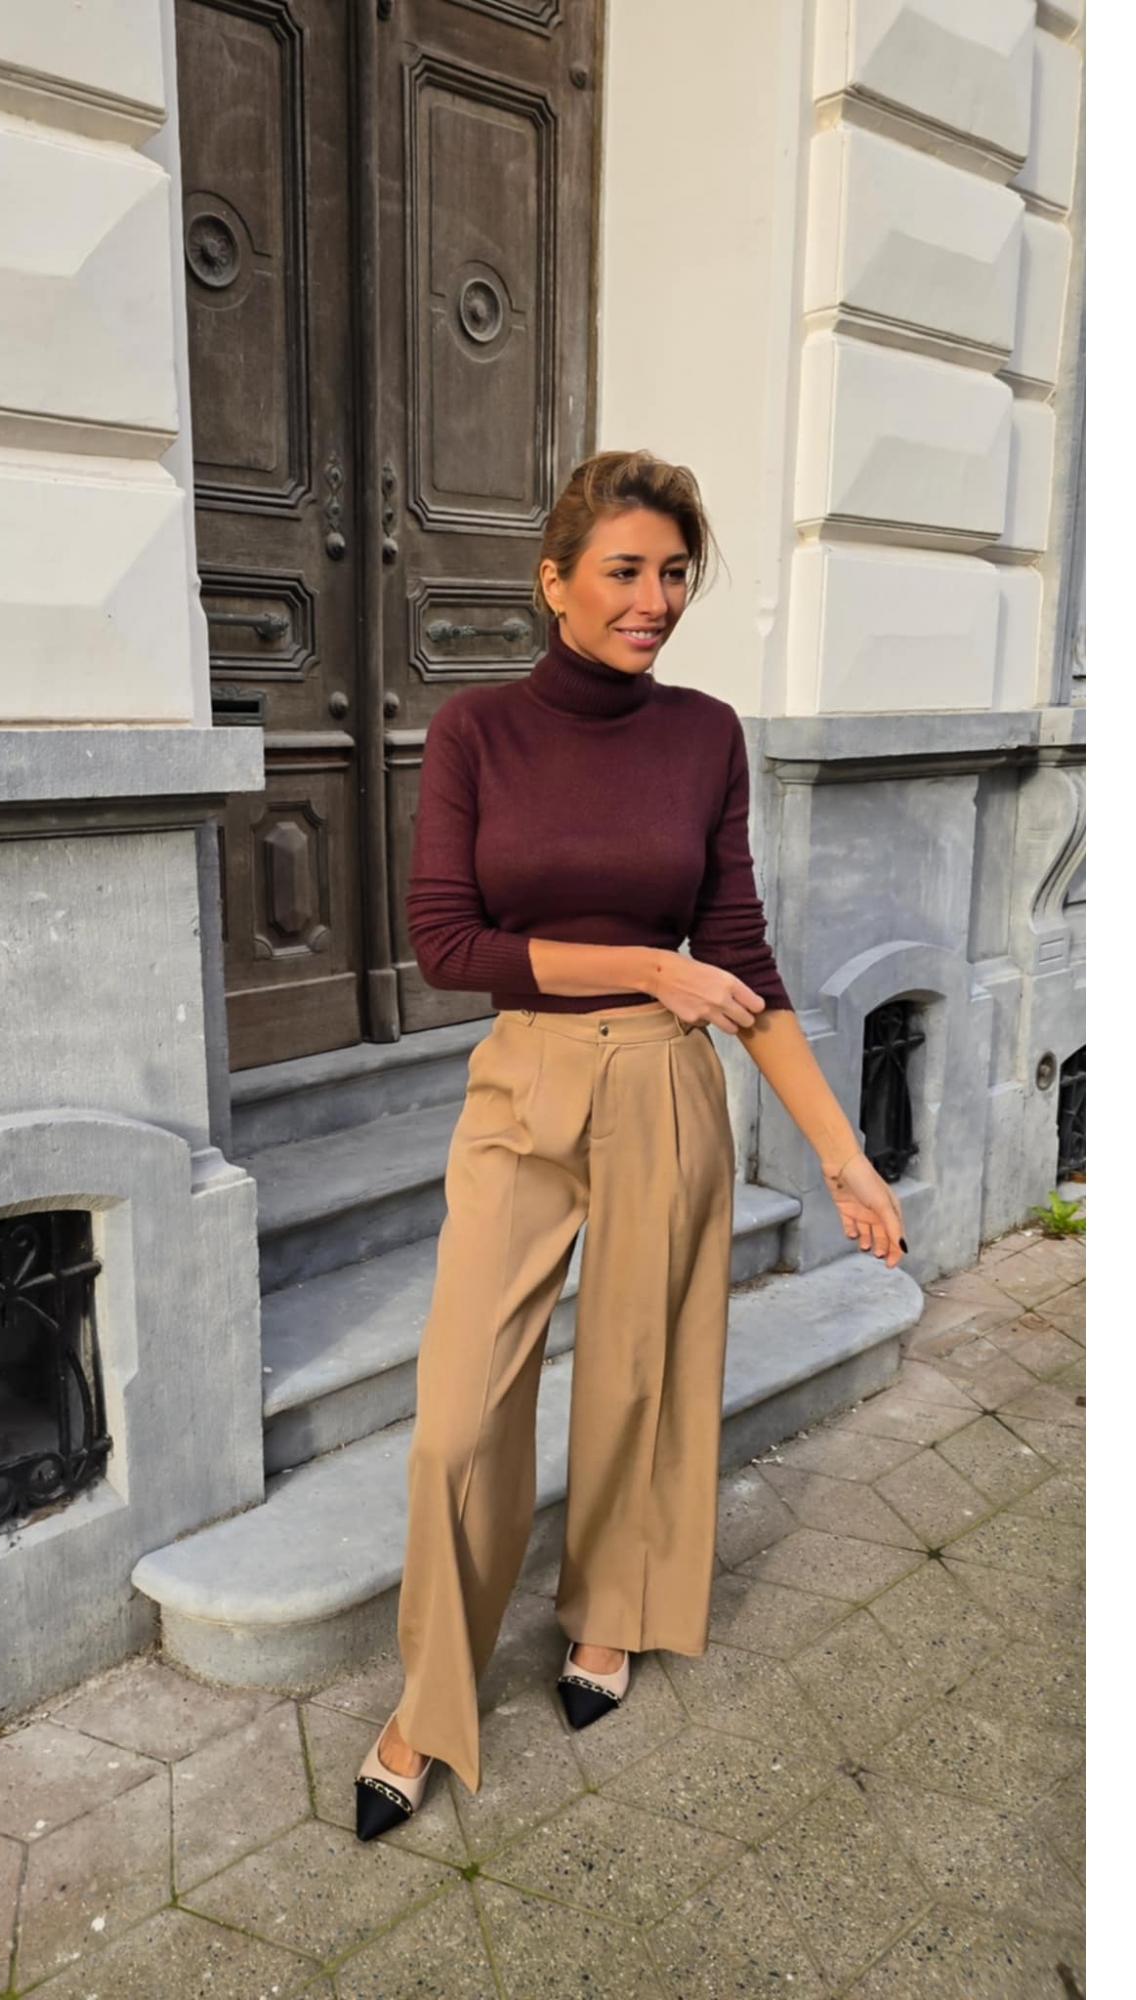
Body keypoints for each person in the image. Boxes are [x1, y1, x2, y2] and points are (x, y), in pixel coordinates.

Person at [353, 449, 907, 1841]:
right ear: (555, 583)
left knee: (645, 1373)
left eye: (673, 572)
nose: (654, 599)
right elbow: (447, 945)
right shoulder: (477, 731)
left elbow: (742, 962)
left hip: (667, 1083)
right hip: (525, 1083)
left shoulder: (705, 736)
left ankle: (611, 1612)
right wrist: (647, 969)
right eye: (623, 571)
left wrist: (839, 1153)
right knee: (461, 1410)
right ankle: (431, 1697)